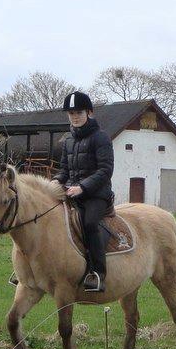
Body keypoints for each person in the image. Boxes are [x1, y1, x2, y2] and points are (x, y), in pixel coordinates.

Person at [53, 91, 115, 292]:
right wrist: (54, 183)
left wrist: (83, 187)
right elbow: (64, 170)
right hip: (71, 191)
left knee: (89, 223)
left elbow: (105, 170)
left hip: (96, 194)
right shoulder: (68, 141)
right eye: (71, 113)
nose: (75, 117)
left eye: (78, 112)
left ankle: (98, 273)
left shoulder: (101, 138)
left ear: (89, 112)